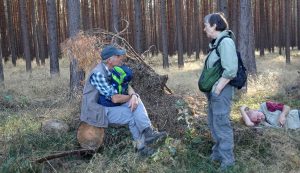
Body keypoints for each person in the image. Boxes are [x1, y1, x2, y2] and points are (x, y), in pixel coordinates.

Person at [80, 44, 167, 156]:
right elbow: (115, 99)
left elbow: (126, 85)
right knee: (131, 115)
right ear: (110, 60)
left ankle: (148, 132)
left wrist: (134, 95)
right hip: (96, 110)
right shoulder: (98, 74)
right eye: (118, 56)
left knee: (137, 102)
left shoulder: (112, 69)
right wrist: (132, 97)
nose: (121, 57)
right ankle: (141, 148)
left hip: (108, 104)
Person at [201, 13, 238, 169]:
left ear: (215, 25)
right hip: (216, 92)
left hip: (221, 92)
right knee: (213, 123)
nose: (204, 29)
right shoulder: (217, 43)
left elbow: (230, 70)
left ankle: (228, 161)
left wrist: (217, 89)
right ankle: (217, 154)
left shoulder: (226, 42)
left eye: (206, 25)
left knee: (221, 124)